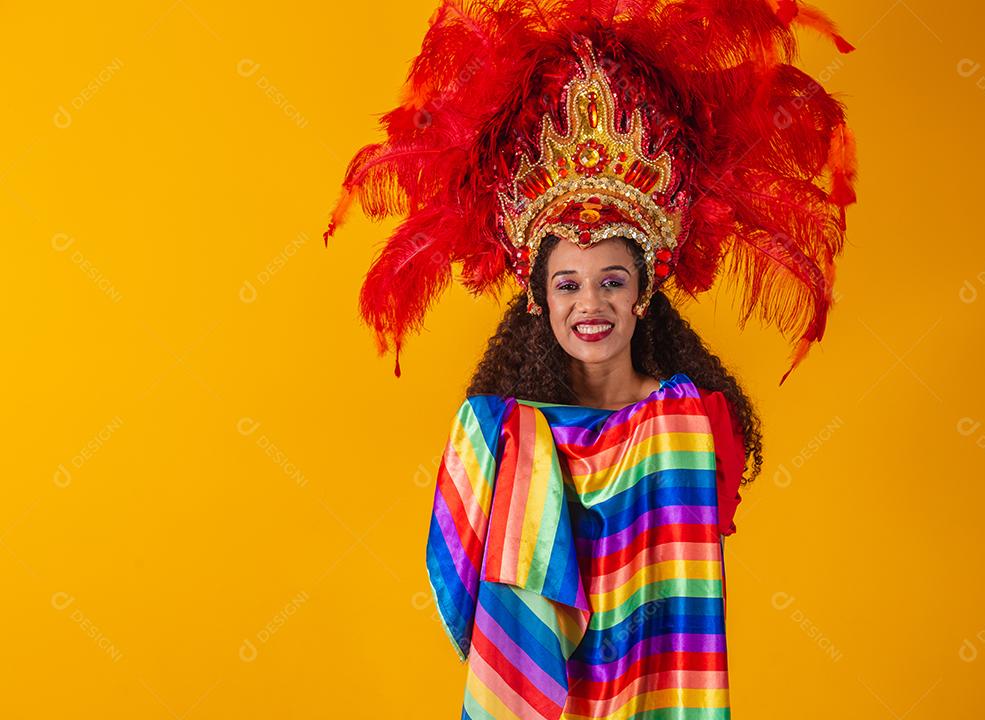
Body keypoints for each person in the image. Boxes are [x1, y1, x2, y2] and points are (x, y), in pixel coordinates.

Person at [322, 1, 857, 716]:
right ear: (538, 299)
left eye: (613, 280)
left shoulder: (696, 424)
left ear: (645, 294)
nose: (591, 304)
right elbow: (455, 577)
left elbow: (683, 589)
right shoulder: (494, 434)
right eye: (567, 284)